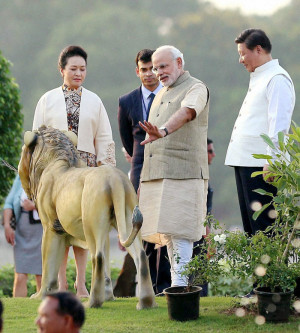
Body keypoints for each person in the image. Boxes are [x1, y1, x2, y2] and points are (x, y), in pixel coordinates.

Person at [32, 45, 116, 297]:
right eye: (73, 69)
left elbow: (104, 136)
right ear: (62, 70)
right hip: (56, 176)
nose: (78, 73)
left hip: (87, 172)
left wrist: (107, 169)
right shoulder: (47, 99)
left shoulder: (95, 100)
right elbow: (37, 138)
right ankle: (61, 284)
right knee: (58, 226)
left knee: (83, 226)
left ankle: (82, 284)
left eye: (82, 69)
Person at [139, 45, 210, 287]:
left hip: (184, 172)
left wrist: (165, 130)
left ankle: (180, 285)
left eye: (163, 66)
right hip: (158, 173)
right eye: (155, 67)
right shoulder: (161, 92)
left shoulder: (196, 87)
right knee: (168, 232)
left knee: (180, 231)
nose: (158, 72)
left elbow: (188, 111)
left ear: (179, 62)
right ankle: (177, 285)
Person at [225, 29, 295, 237]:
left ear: (258, 49)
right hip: (245, 160)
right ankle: (257, 269)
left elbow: (279, 123)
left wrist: (272, 160)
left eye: (242, 53)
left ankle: (269, 270)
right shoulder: (261, 76)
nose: (240, 60)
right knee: (251, 229)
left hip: (260, 164)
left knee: (263, 227)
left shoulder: (277, 78)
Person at [116, 49, 171, 295]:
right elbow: (128, 141)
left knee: (168, 226)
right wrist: (137, 160)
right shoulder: (126, 101)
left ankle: (166, 285)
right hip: (140, 169)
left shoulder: (172, 96)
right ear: (137, 71)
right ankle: (146, 286)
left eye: (153, 69)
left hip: (169, 166)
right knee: (144, 227)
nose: (149, 74)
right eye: (144, 69)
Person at [3, 175, 43, 297]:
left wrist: (35, 205)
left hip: (42, 230)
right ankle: (18, 310)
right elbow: (9, 203)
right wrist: (7, 226)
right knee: (20, 276)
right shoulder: (20, 176)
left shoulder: (48, 173)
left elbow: (55, 202)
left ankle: (45, 312)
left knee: (42, 276)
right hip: (22, 231)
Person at [192, 138, 216, 296]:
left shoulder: (204, 178)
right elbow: (201, 214)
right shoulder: (196, 179)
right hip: (196, 235)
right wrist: (209, 240)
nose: (213, 155)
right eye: (209, 151)